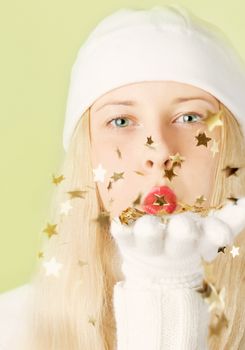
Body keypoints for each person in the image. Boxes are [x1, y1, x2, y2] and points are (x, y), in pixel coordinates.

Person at [1, 4, 245, 349]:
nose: (159, 152)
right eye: (121, 122)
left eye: (190, 117)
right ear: (87, 157)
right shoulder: (9, 329)